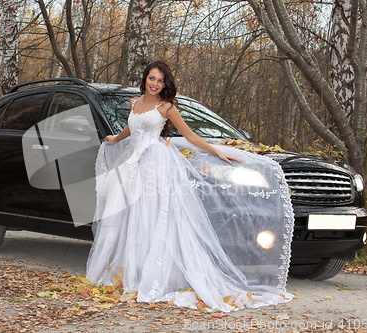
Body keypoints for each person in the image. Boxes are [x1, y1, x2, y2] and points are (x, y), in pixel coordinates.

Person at [86, 61, 294, 312]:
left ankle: (154, 276)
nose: (155, 84)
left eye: (160, 81)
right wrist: (116, 138)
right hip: (133, 165)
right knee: (128, 219)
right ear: (145, 79)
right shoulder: (134, 103)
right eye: (152, 78)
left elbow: (190, 135)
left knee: (152, 218)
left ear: (165, 84)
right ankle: (130, 273)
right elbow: (133, 127)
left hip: (155, 165)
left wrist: (217, 151)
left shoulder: (167, 107)